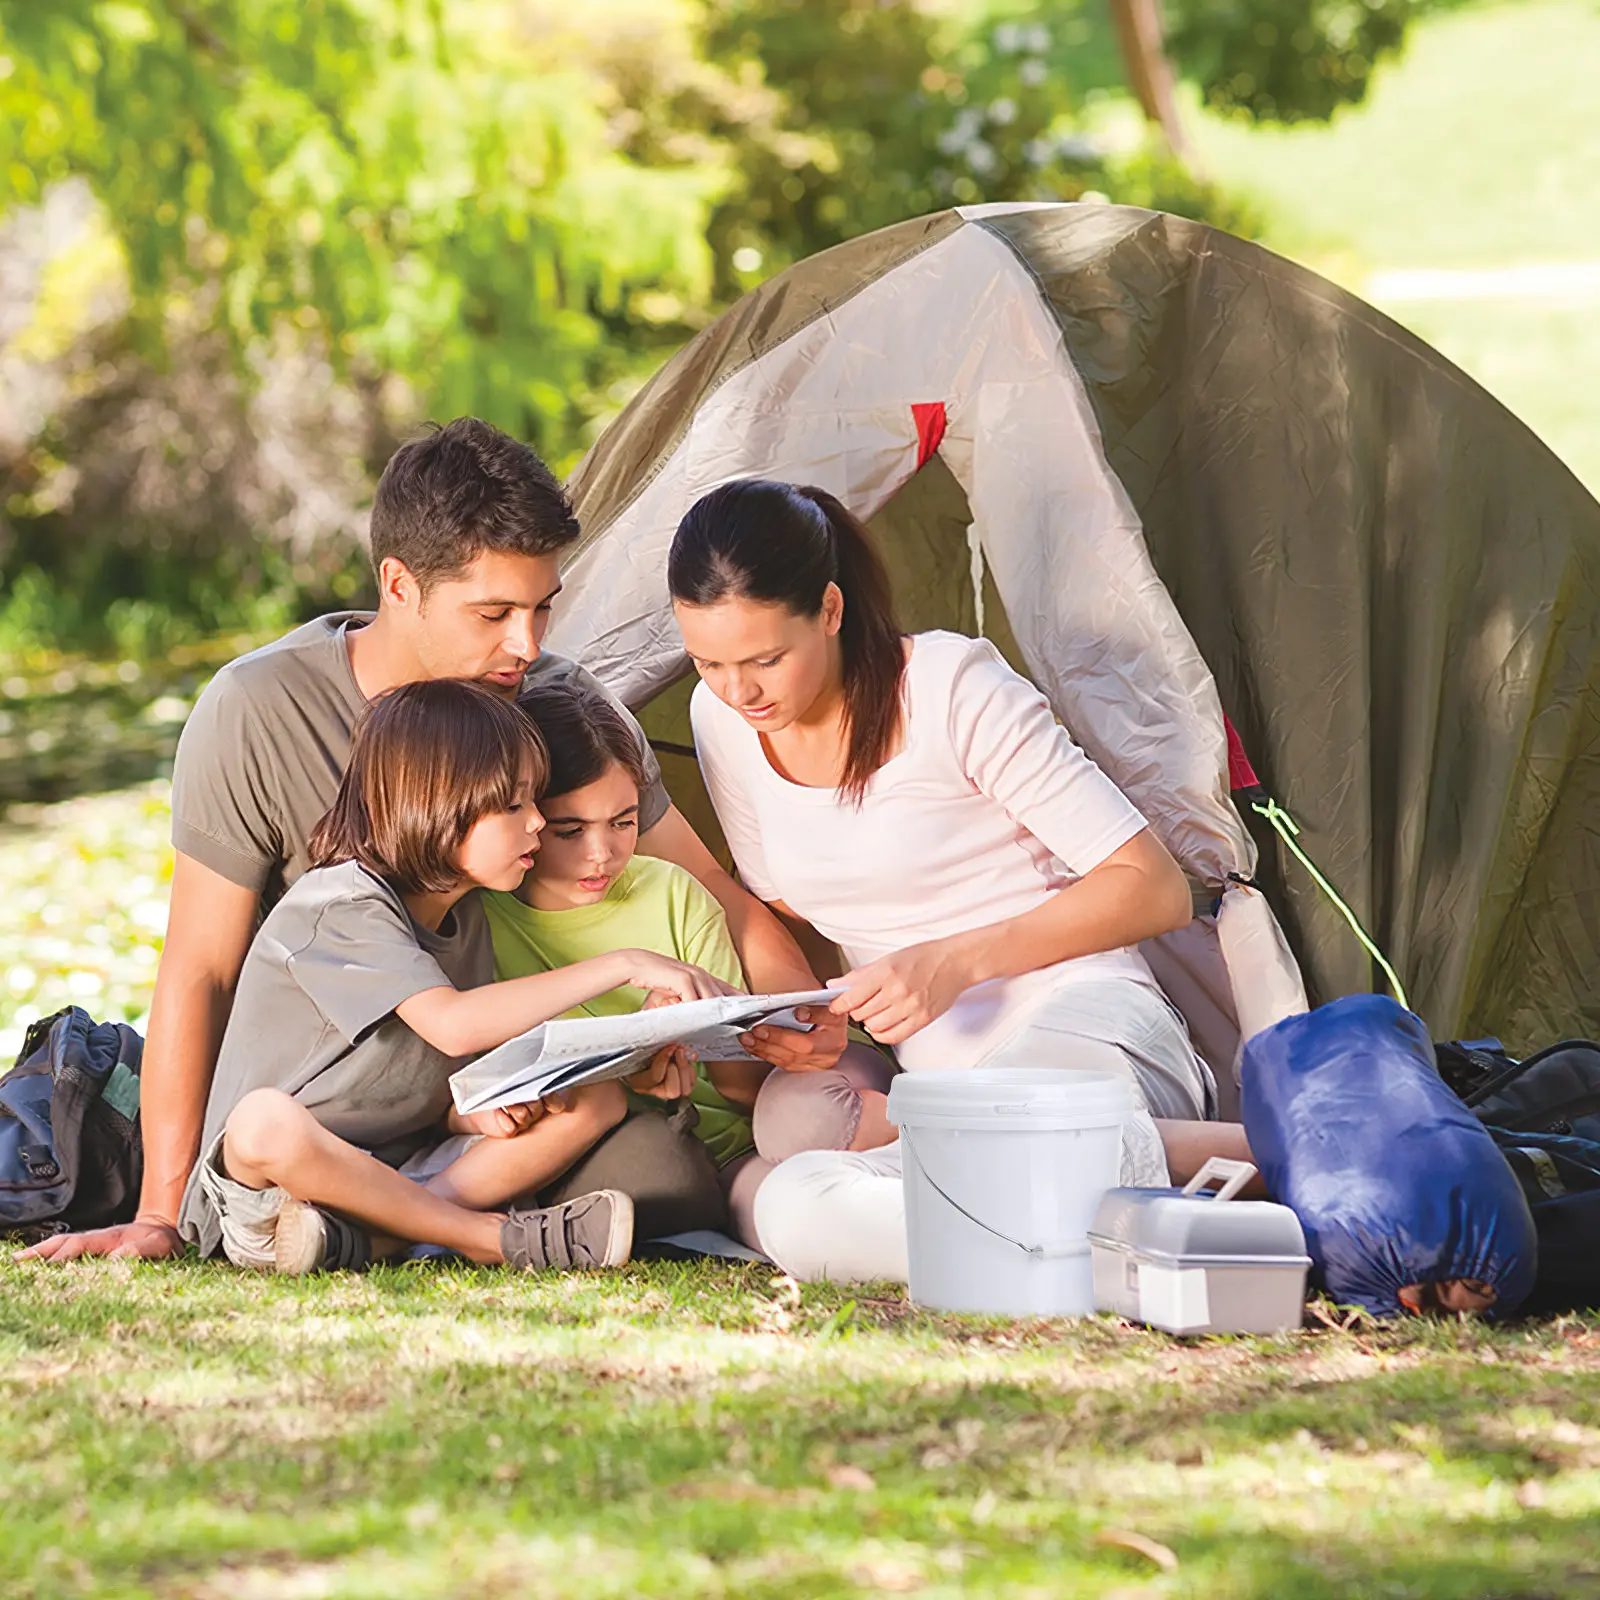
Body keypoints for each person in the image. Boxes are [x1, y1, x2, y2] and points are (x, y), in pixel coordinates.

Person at [25, 420, 842, 1265]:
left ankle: (381, 1227)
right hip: (332, 1103)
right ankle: (422, 1225)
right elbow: (201, 970)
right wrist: (160, 1214)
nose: (528, 645)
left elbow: (715, 892)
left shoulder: (558, 700)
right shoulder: (260, 712)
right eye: (494, 613)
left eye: (543, 607)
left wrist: (806, 1028)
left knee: (660, 1175)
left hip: (481, 1103)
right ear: (400, 585)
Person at [669, 479, 1216, 1283]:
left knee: (1007, 1163)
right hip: (938, 1098)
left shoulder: (951, 688)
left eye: (766, 659)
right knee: (790, 1195)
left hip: (1081, 1020)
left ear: (829, 609)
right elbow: (798, 908)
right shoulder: (721, 719)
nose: (738, 690)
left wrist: (956, 961)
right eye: (707, 662)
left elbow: (1152, 887)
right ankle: (1112, 1217)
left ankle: (1139, 1185)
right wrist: (814, 1018)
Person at [182, 678, 735, 1275]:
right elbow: (452, 1026)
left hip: (407, 1170)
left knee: (592, 1099)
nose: (536, 822)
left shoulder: (466, 913)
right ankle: (487, 1238)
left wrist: (473, 1113)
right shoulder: (339, 905)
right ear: (436, 806)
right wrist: (622, 964)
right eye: (514, 806)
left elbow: (421, 1082)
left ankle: (385, 1237)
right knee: (262, 1122)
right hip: (276, 1188)